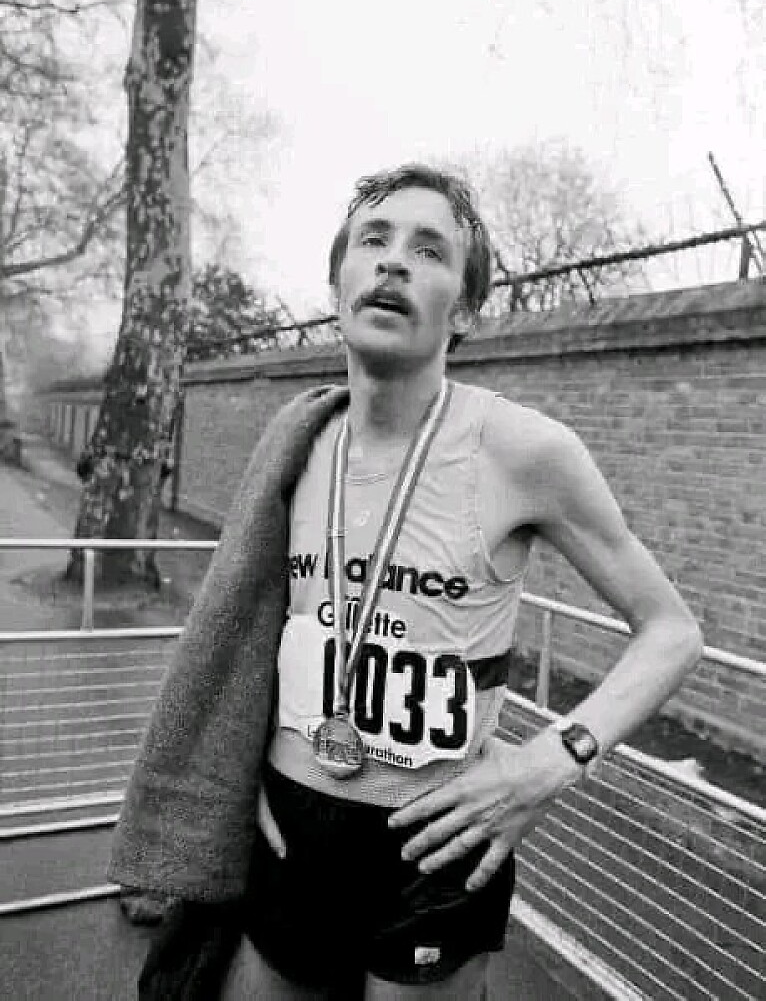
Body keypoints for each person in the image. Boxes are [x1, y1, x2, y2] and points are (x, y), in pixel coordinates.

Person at [110, 163, 703, 1001]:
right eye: (374, 241)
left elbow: (672, 632)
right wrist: (240, 776)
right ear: (338, 286)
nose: (393, 261)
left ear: (463, 309)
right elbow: (250, 635)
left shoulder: (524, 451)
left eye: (429, 250)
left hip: (436, 843)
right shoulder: (296, 440)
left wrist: (551, 762)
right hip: (289, 826)